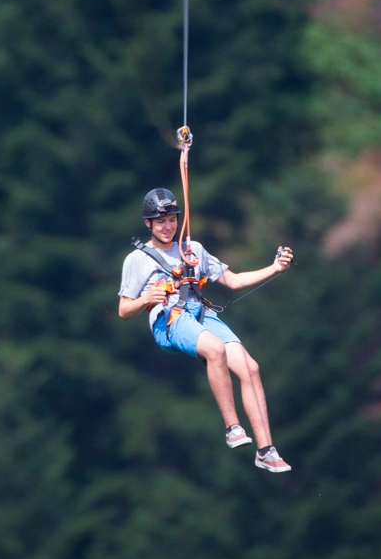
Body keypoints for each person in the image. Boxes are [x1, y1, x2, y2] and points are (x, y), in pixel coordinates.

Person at [118, 187, 293, 473]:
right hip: (170, 321)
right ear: (148, 223)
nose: (168, 226)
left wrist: (274, 268)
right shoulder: (137, 260)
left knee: (250, 367)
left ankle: (266, 450)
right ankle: (232, 427)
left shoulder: (192, 249)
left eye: (172, 219)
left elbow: (233, 280)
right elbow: (124, 310)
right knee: (215, 349)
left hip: (200, 313)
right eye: (160, 221)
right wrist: (147, 299)